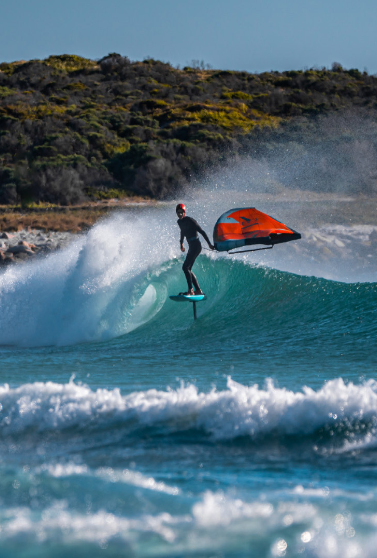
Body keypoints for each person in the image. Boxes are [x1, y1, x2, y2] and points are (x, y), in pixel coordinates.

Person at [176, 203, 215, 296]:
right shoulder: (179, 222)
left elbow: (202, 232)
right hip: (191, 246)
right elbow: (182, 231)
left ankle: (190, 290)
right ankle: (198, 290)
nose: (180, 214)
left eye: (181, 212)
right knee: (188, 269)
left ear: (184, 212)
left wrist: (209, 244)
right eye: (178, 212)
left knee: (185, 267)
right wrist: (181, 242)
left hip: (196, 246)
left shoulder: (191, 220)